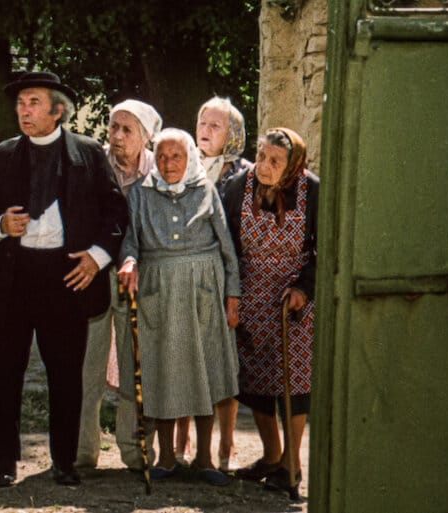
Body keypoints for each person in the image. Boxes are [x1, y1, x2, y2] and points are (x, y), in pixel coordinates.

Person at [0, 71, 129, 487]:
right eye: (21, 103)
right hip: (15, 277)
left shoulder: (88, 154)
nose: (24, 110)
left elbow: (115, 214)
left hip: (67, 275)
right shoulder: (0, 155)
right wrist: (0, 223)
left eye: (34, 102)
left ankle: (64, 461)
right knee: (6, 372)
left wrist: (96, 259)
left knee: (65, 374)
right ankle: (4, 461)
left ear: (58, 110)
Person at [117, 128, 240, 487]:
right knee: (162, 372)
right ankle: (167, 457)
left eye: (177, 157)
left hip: (203, 289)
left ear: (190, 159)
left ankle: (204, 459)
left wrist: (233, 295)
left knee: (206, 374)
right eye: (163, 157)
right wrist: (128, 262)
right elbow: (131, 242)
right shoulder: (141, 193)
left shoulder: (206, 190)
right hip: (159, 290)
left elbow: (227, 246)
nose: (169, 164)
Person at [223, 128, 318, 493]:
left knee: (293, 380)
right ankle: (271, 455)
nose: (263, 166)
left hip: (294, 301)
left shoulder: (312, 191)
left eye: (275, 161)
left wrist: (304, 288)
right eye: (261, 156)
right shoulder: (236, 188)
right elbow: (228, 246)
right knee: (256, 379)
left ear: (292, 165)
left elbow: (324, 249)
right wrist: (233, 293)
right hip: (250, 294)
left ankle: (292, 464)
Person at [76, 99, 161, 471]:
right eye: (114, 127)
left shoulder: (160, 169)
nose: (117, 136)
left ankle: (134, 449)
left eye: (128, 130)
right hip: (95, 274)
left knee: (136, 364)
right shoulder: (93, 164)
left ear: (146, 137)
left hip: (142, 278)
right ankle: (81, 451)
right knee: (85, 366)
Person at [173, 96, 253, 470]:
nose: (205, 131)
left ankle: (226, 443)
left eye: (215, 126)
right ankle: (181, 440)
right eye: (203, 122)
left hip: (227, 278)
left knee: (223, 362)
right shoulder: (179, 166)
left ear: (233, 135)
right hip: (185, 276)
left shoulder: (245, 175)